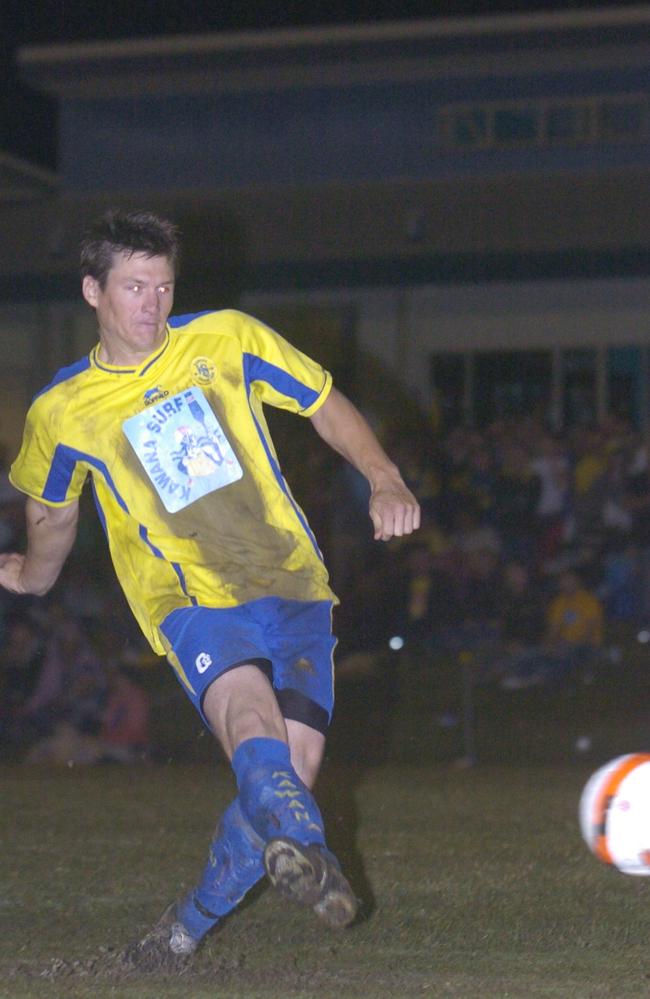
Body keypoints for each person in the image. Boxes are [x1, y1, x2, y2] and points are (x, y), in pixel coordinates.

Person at [0, 209, 420, 971]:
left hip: (294, 580)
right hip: (190, 596)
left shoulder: (226, 337)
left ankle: (181, 932)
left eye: (163, 286)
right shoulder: (64, 411)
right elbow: (51, 515)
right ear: (93, 290)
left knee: (290, 776)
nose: (152, 305)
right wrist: (29, 573)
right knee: (249, 723)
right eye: (134, 287)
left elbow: (323, 400)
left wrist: (384, 476)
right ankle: (314, 852)